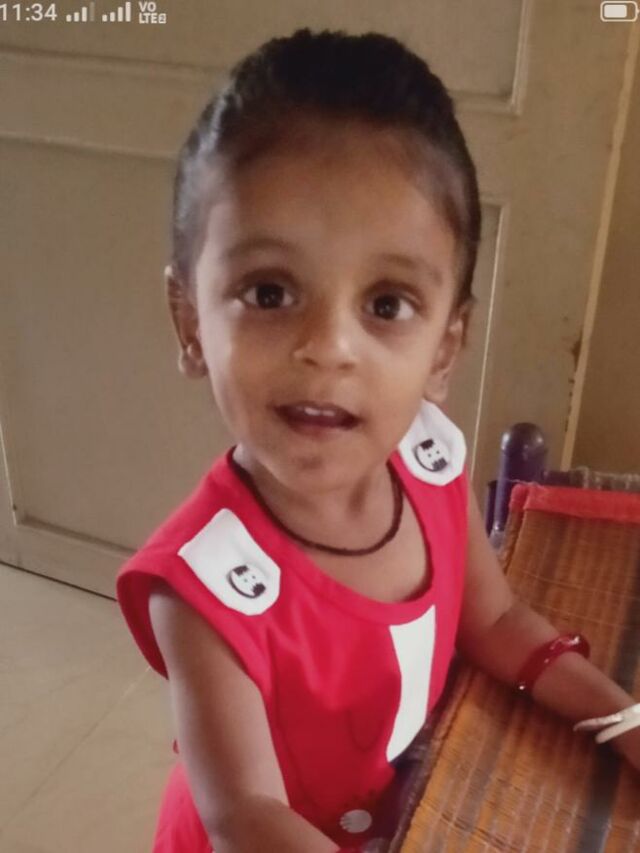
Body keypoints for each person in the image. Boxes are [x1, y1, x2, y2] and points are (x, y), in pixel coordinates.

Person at [115, 27, 640, 853]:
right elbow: (247, 815)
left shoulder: (431, 463)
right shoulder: (201, 589)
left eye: (387, 303)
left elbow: (497, 620)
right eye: (269, 291)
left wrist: (623, 719)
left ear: (444, 349)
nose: (329, 347)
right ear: (190, 323)